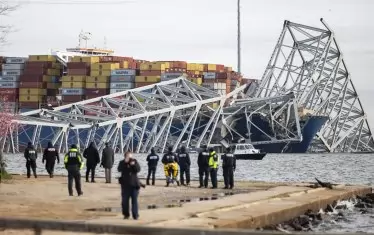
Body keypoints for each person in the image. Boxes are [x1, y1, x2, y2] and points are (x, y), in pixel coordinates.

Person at [118, 151, 141, 220]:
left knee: (134, 200)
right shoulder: (122, 162)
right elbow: (119, 169)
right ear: (125, 157)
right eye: (128, 157)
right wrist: (125, 162)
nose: (129, 158)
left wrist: (133, 164)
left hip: (134, 185)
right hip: (125, 185)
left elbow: (138, 170)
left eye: (130, 157)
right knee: (124, 201)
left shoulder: (134, 161)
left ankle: (135, 215)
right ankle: (126, 214)